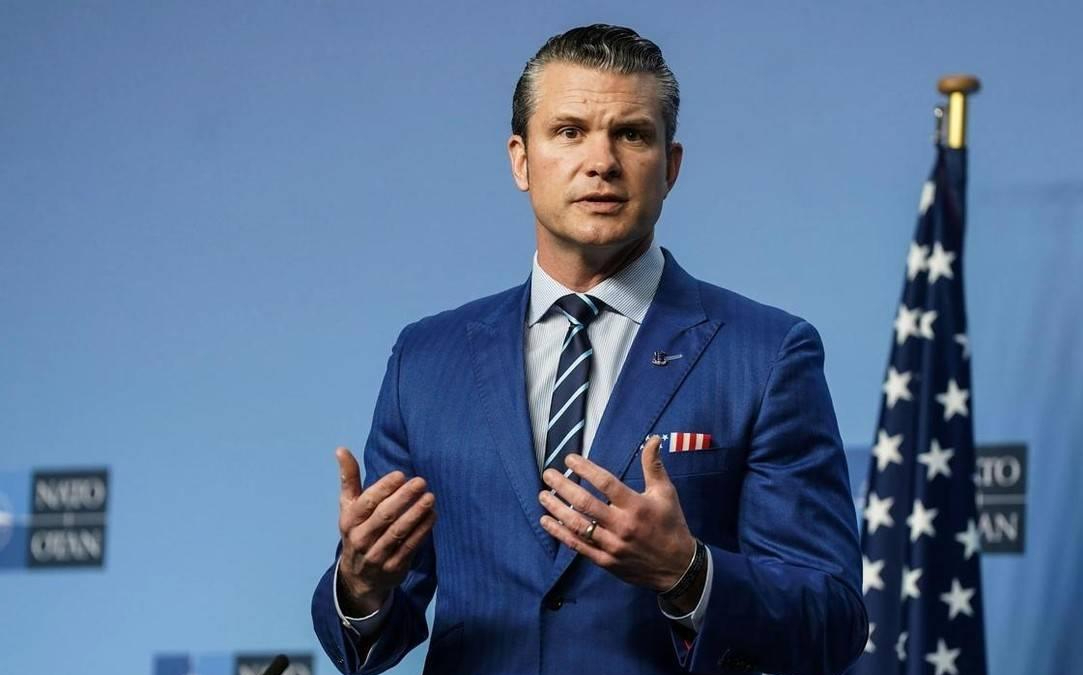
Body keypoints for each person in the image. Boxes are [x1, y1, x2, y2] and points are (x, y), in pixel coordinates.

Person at [311, 23, 867, 675]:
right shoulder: (426, 361)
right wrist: (360, 585)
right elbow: (374, 625)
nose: (601, 161)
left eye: (631, 134)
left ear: (671, 166)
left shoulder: (766, 355)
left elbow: (832, 620)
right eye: (569, 131)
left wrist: (687, 571)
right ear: (521, 160)